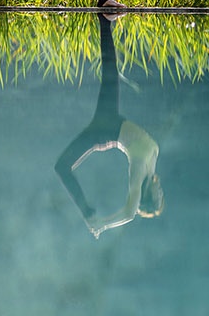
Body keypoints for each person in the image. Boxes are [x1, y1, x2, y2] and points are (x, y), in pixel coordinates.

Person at [54, 14, 164, 236]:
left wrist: (102, 223)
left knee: (62, 166)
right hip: (112, 123)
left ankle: (87, 213)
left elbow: (130, 213)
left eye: (159, 196)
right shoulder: (150, 171)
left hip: (105, 131)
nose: (162, 191)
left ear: (149, 197)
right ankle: (105, 22)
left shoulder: (139, 173)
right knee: (110, 70)